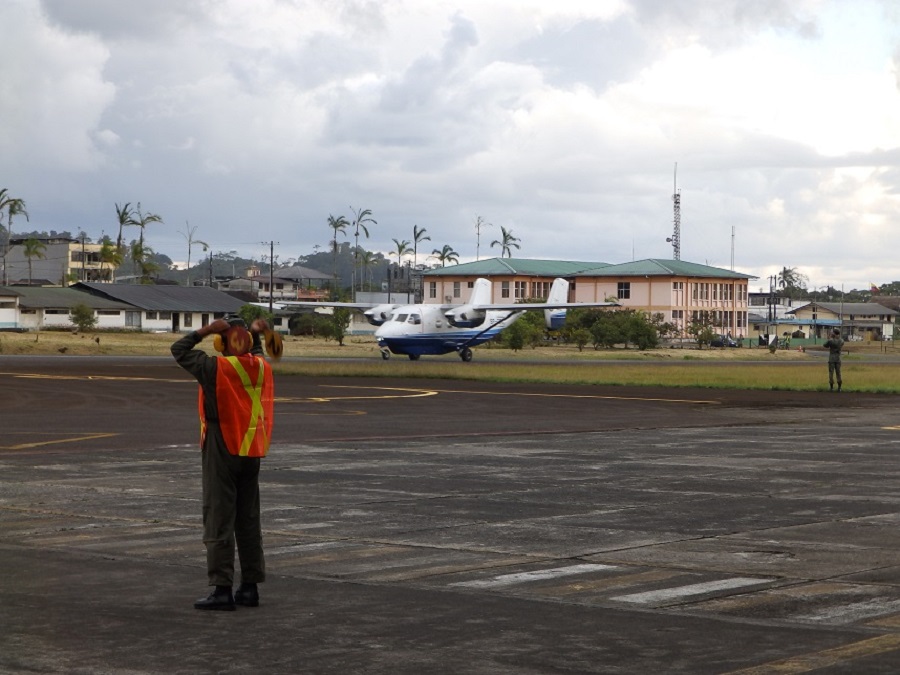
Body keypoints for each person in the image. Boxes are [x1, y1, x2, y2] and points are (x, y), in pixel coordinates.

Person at [171, 316, 275, 611]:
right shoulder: (260, 365)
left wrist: (206, 330)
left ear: (221, 343)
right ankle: (250, 588)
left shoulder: (216, 367)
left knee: (218, 518)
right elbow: (255, 352)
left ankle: (222, 588)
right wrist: (253, 334)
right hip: (251, 446)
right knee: (248, 520)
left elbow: (178, 349)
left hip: (222, 443)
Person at [824, 327, 844, 392]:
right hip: (838, 358)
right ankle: (839, 388)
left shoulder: (831, 341)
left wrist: (830, 337)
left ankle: (831, 387)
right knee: (838, 373)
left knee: (831, 373)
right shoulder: (841, 341)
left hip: (832, 358)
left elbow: (825, 345)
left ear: (834, 333)